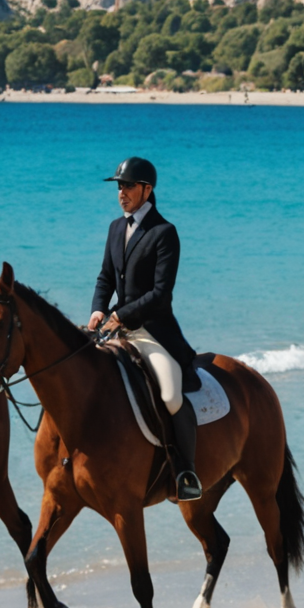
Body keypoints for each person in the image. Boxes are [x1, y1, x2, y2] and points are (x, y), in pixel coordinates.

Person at [89, 157, 204, 502]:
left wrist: (120, 316)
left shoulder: (164, 233)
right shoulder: (114, 227)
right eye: (118, 186)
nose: (121, 192)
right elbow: (106, 276)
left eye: (127, 186)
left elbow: (160, 294)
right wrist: (97, 309)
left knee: (170, 395)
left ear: (147, 190)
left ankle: (185, 470)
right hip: (115, 327)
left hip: (153, 332)